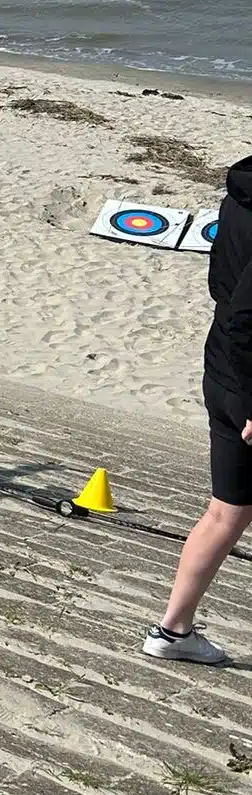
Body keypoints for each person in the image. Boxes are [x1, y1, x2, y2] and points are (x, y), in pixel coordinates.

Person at [144, 158, 252, 664]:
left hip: (221, 366)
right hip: (244, 382)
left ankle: (172, 631)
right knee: (227, 512)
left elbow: (221, 283)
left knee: (226, 512)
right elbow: (247, 318)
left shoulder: (240, 193)